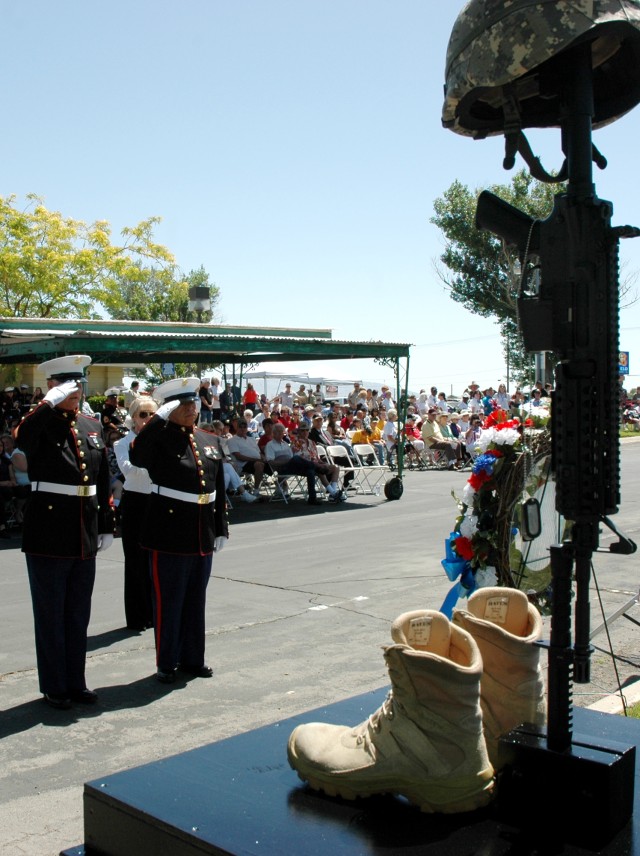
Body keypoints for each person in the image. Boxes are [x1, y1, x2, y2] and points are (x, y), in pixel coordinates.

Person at [15, 355, 115, 710]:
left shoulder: (91, 425)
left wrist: (106, 524)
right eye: (68, 386)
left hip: (84, 531)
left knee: (77, 614)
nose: (76, 392)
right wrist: (47, 403)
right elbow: (22, 438)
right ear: (52, 387)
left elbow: (102, 478)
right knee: (51, 612)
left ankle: (77, 681)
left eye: (79, 386)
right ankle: (55, 685)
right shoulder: (40, 422)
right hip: (50, 531)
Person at [129, 376, 228, 684]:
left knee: (195, 600)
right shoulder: (157, 438)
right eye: (183, 404)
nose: (191, 409)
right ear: (169, 408)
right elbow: (137, 454)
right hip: (169, 532)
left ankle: (193, 658)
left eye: (193, 403)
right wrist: (157, 418)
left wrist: (221, 526)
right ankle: (167, 661)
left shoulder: (208, 439)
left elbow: (218, 486)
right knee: (169, 602)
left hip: (201, 532)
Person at [114, 397, 158, 631]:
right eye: (143, 414)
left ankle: (155, 611)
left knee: (156, 561)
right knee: (135, 561)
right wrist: (153, 470)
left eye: (152, 414)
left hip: (156, 501)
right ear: (133, 418)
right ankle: (138, 616)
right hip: (136, 504)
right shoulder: (124, 443)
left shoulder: (160, 441)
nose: (148, 419)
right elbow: (128, 471)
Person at [264, 422, 323, 506]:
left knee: (310, 471)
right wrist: (285, 462)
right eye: (279, 432)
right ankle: (315, 466)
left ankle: (312, 498)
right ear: (274, 433)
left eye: (282, 432)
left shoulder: (285, 444)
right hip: (281, 469)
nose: (281, 434)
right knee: (296, 458)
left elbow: (292, 457)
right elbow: (271, 462)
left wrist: (290, 461)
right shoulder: (270, 445)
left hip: (292, 466)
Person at [227, 418, 268, 495]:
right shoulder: (232, 440)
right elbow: (239, 457)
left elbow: (259, 452)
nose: (243, 429)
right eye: (240, 427)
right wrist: (256, 459)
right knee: (259, 464)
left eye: (244, 426)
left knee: (274, 463)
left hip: (258, 461)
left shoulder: (251, 439)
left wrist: (263, 457)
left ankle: (281, 488)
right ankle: (256, 490)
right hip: (243, 464)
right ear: (237, 427)